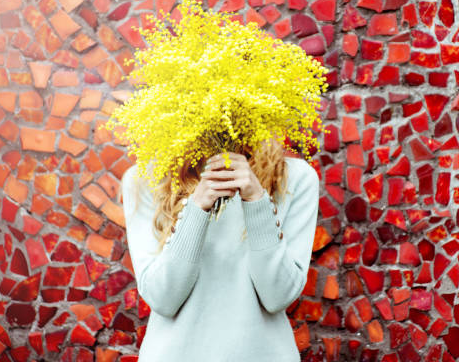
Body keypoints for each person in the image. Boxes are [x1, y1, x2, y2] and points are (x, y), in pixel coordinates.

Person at [121, 138, 320, 361]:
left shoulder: (296, 178)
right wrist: (197, 208)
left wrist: (256, 199)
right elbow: (163, 298)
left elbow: (278, 296)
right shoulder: (145, 180)